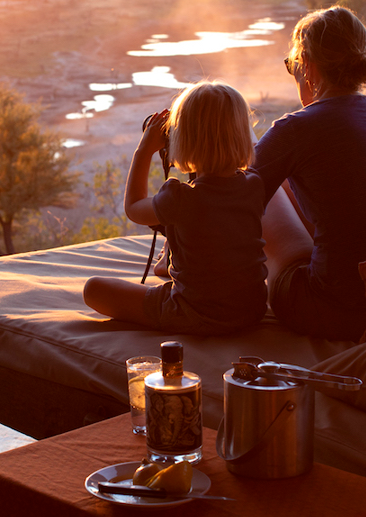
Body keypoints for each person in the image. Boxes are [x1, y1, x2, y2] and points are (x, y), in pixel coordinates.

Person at [253, 6, 366, 341]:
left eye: (292, 65)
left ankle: (173, 260)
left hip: (339, 311)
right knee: (307, 179)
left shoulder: (298, 128)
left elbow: (228, 208)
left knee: (257, 174)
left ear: (307, 64)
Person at [84, 81, 267, 335]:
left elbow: (134, 207)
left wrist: (144, 150)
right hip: (250, 310)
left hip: (195, 313)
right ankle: (168, 266)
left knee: (93, 289)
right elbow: (216, 224)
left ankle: (169, 276)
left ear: (182, 141)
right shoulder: (253, 186)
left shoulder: (180, 198)